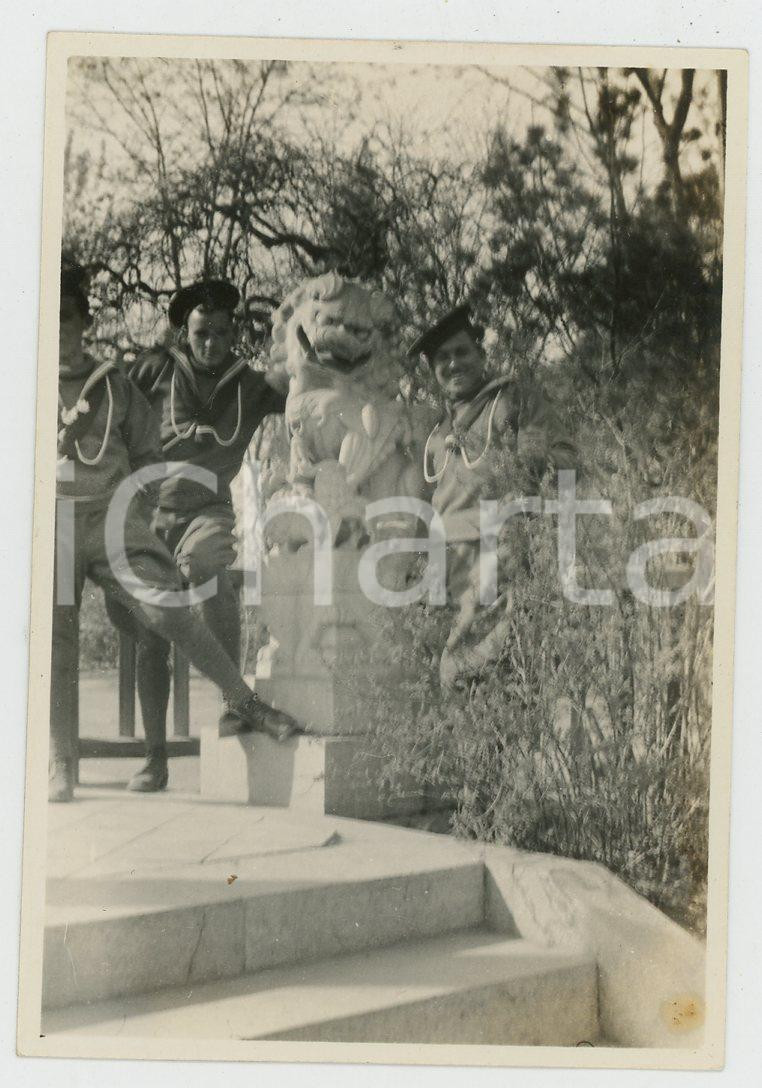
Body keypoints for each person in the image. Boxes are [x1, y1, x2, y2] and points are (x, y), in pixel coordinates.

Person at [51, 262, 298, 803]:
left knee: (207, 565)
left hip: (205, 507)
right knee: (148, 632)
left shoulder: (251, 385)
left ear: (235, 333)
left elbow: (301, 394)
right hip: (146, 514)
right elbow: (112, 413)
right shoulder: (154, 368)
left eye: (222, 333)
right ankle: (154, 757)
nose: (211, 344)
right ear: (184, 332)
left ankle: (237, 702)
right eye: (201, 333)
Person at [408, 304, 576, 688]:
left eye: (462, 352)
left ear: (481, 354)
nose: (454, 364)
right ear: (433, 370)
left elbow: (566, 458)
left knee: (486, 674)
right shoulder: (436, 431)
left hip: (497, 554)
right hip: (444, 567)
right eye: (442, 358)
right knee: (449, 687)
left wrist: (531, 464)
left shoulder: (513, 400)